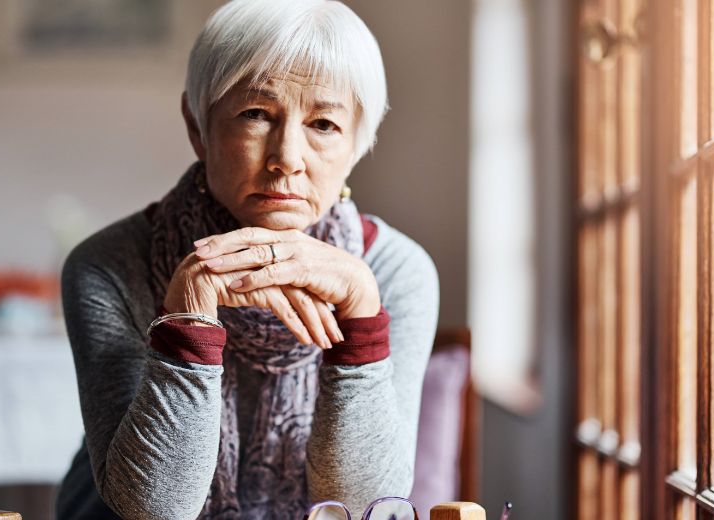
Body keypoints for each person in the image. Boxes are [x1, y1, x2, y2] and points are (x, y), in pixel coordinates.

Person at [55, 1, 439, 518]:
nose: (287, 158)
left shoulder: (396, 271)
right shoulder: (106, 265)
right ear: (198, 127)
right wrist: (188, 314)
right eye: (257, 114)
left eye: (323, 124)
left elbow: (365, 505)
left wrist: (361, 313)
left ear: (356, 144)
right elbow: (153, 510)